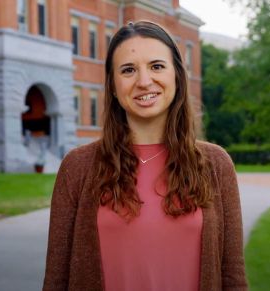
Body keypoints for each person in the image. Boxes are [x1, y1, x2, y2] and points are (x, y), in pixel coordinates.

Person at [43, 21, 248, 291]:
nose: (144, 81)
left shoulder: (215, 164)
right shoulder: (78, 167)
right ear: (113, 86)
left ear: (177, 75)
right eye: (128, 70)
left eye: (156, 66)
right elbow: (56, 280)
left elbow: (233, 278)